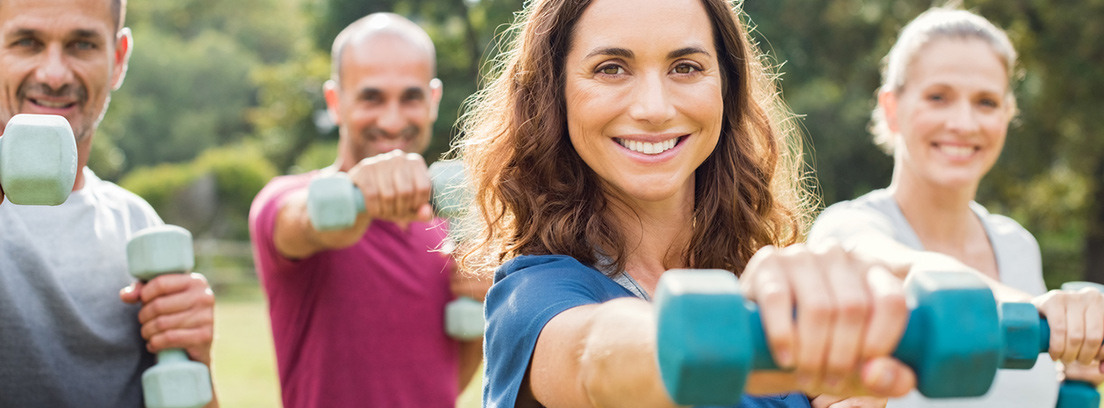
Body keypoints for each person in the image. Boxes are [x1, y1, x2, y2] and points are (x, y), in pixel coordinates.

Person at [452, 0, 944, 406]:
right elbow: (593, 355)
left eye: (685, 67)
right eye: (611, 68)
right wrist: (742, 336)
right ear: (554, 94)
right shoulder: (533, 300)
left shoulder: (764, 299)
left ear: (727, 89)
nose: (654, 108)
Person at [808, 7, 1104, 408]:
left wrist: (1080, 353)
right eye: (938, 97)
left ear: (1007, 113)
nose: (963, 123)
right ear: (892, 108)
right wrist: (1039, 310)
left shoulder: (1018, 244)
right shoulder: (847, 228)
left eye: (985, 102)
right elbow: (909, 267)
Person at [248, 12, 487, 408]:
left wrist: (485, 301)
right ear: (335, 102)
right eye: (371, 98)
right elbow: (308, 222)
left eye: (410, 97)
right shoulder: (282, 200)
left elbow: (440, 383)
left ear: (432, 101)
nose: (392, 121)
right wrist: (359, 191)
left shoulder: (452, 232)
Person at [0, 0, 219, 407]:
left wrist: (197, 361)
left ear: (118, 59)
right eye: (27, 42)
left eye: (82, 44)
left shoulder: (139, 225)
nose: (53, 74)